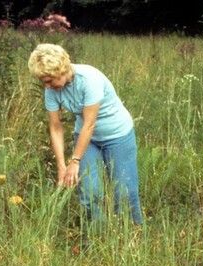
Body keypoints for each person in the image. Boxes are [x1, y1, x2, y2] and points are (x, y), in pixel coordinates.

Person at [28, 43, 143, 226]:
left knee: (124, 192)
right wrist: (61, 166)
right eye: (43, 81)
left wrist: (74, 161)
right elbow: (56, 127)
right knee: (90, 192)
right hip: (87, 140)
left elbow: (89, 124)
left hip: (118, 135)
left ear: (62, 69)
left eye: (49, 80)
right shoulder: (51, 90)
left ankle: (134, 235)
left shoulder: (89, 79)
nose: (46, 86)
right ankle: (97, 237)